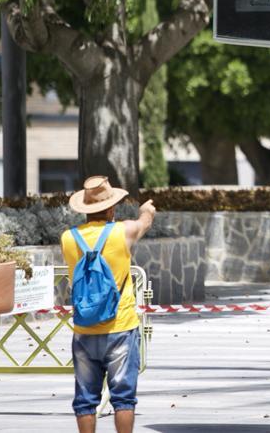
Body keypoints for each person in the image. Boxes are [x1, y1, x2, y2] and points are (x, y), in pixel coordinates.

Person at [61, 176, 157, 433]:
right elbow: (144, 223)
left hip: (84, 331)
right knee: (123, 398)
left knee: (85, 401)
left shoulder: (68, 238)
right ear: (112, 208)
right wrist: (146, 211)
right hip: (121, 327)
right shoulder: (122, 231)